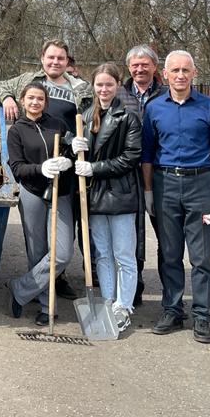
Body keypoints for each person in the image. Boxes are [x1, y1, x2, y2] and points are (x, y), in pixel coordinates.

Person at [141, 50, 210, 344]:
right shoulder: (154, 108)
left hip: (200, 185)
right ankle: (172, 309)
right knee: (169, 253)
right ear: (165, 74)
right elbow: (147, 154)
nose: (180, 75)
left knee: (201, 256)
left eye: (185, 70)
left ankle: (202, 315)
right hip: (165, 184)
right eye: (175, 70)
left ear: (194, 73)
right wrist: (148, 191)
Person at [0, 39, 93, 299]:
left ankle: (55, 278)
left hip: (66, 167)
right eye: (51, 57)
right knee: (36, 240)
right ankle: (41, 291)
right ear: (42, 59)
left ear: (67, 62)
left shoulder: (80, 88)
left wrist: (80, 146)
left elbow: (92, 118)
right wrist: (7, 97)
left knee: (62, 237)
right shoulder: (28, 80)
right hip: (35, 167)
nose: (55, 62)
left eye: (60, 58)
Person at [74, 63, 142, 332]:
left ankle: (124, 306)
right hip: (93, 196)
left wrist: (94, 168)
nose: (104, 89)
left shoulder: (127, 117)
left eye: (109, 84)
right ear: (93, 86)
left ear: (118, 85)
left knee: (124, 255)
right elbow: (81, 155)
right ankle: (107, 301)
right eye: (99, 84)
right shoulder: (85, 115)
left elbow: (131, 157)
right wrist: (72, 143)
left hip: (119, 193)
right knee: (102, 254)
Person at [4, 83, 76, 326]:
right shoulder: (17, 131)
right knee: (37, 252)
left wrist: (70, 159)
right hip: (32, 193)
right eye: (31, 98)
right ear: (22, 100)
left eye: (40, 99)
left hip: (60, 193)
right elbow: (17, 168)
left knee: (62, 254)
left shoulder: (57, 124)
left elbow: (70, 150)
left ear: (46, 102)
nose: (35, 102)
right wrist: (40, 168)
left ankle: (20, 289)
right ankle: (47, 307)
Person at [119, 44, 166, 307]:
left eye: (145, 64)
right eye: (135, 65)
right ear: (129, 68)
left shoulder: (166, 95)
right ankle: (133, 288)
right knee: (132, 234)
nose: (140, 69)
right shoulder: (119, 94)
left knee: (166, 236)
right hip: (127, 173)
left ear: (154, 67)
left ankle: (171, 293)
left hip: (160, 174)